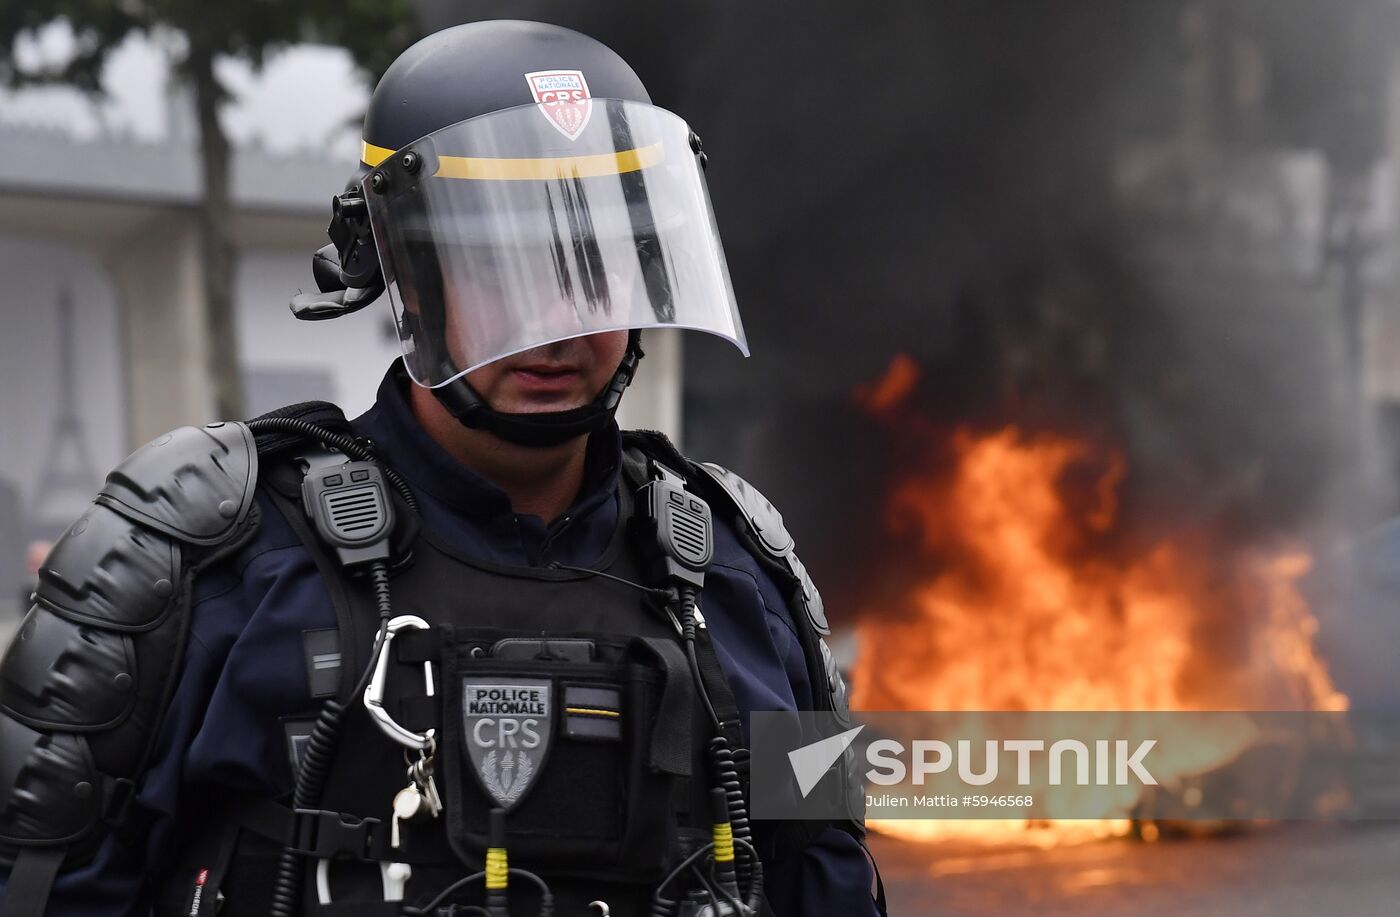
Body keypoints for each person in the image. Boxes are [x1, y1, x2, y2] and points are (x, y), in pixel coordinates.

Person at [0, 21, 881, 917]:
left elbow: (836, 882)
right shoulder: (205, 548)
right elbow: (38, 885)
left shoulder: (742, 571)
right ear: (409, 277)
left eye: (595, 269)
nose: (556, 323)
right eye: (502, 265)